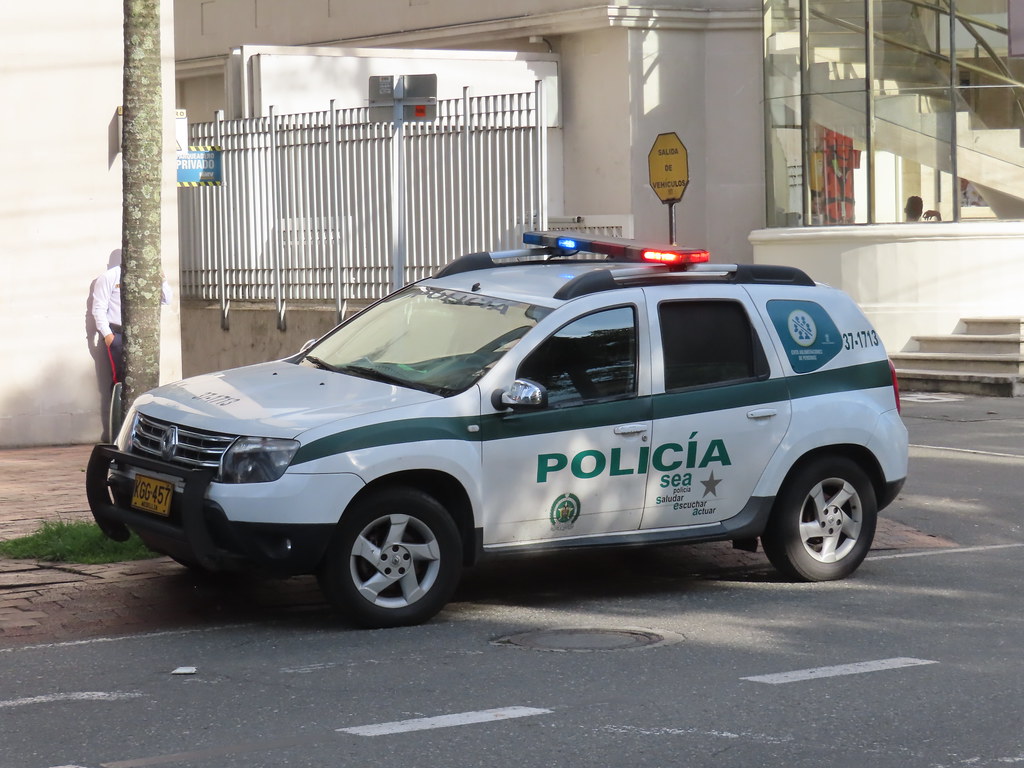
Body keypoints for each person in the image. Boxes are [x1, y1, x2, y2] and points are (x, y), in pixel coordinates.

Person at [91, 255, 173, 385]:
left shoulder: (148, 275)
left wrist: (161, 279)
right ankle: (119, 406)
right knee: (121, 381)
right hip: (118, 335)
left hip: (145, 336)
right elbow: (99, 308)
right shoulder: (110, 276)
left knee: (145, 379)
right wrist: (108, 336)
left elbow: (166, 300)